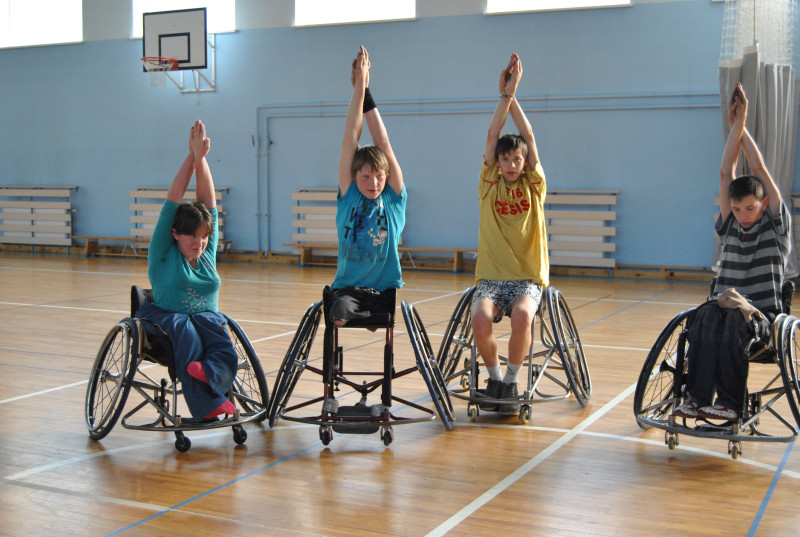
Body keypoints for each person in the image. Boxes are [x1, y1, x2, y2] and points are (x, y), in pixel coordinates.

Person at [673, 83, 791, 421]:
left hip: (760, 315)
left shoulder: (774, 226)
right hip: (724, 304)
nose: (742, 215)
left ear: (764, 204)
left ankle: (728, 403)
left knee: (733, 327)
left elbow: (759, 169)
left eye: (749, 208)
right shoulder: (731, 225)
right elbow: (726, 172)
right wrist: (733, 125)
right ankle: (696, 398)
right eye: (737, 209)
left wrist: (743, 121)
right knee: (704, 318)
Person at [135, 120, 238, 421]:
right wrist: (191, 158)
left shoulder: (206, 254)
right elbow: (173, 200)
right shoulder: (163, 252)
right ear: (176, 233)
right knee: (189, 333)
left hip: (206, 317)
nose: (200, 242)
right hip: (168, 317)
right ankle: (209, 406)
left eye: (204, 236)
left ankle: (209, 376)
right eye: (193, 236)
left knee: (221, 339)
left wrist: (202, 159)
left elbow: (209, 203)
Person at [472, 53, 548, 415]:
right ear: (498, 163)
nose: (512, 164)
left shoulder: (534, 185)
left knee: (521, 317)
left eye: (517, 159)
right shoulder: (489, 186)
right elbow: (491, 134)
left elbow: (529, 136)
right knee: (480, 318)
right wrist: (503, 97)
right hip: (491, 276)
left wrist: (513, 93)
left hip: (525, 278)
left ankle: (513, 380)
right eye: (506, 160)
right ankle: (494, 377)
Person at [325, 45, 406, 327]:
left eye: (379, 176)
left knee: (381, 315)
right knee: (338, 312)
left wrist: (367, 91)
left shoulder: (394, 199)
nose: (373, 183)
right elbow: (351, 137)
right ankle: (348, 314)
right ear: (355, 176)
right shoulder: (348, 196)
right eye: (366, 177)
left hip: (384, 291)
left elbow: (383, 143)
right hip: (348, 291)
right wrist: (359, 88)